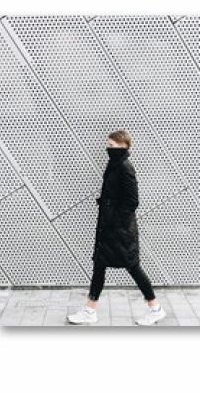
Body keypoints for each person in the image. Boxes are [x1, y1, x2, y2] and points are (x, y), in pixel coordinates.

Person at [67, 129, 166, 326]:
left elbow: (132, 201)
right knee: (99, 266)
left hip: (120, 231)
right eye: (108, 145)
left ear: (124, 146)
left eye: (112, 146)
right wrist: (106, 203)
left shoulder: (124, 167)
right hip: (109, 228)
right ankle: (90, 309)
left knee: (133, 267)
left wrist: (113, 216)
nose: (108, 149)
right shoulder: (114, 164)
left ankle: (155, 308)